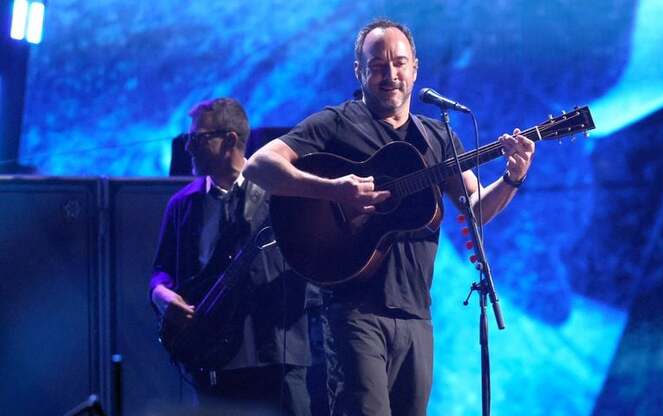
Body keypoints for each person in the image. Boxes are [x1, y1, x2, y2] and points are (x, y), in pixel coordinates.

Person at [245, 19, 535, 416]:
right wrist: (332, 190)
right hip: (354, 310)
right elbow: (259, 166)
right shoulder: (337, 123)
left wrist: (512, 177)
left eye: (399, 63)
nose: (390, 75)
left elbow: (476, 208)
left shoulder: (438, 136)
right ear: (358, 71)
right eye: (378, 65)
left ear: (415, 67)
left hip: (416, 312)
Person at [150, 97, 312, 415]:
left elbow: (313, 262)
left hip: (275, 355)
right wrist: (162, 295)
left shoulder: (280, 194)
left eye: (197, 138)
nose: (187, 148)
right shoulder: (182, 205)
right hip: (212, 362)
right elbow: (160, 270)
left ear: (230, 140)